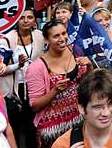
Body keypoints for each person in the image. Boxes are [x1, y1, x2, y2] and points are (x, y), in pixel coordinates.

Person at [26, 20, 89, 148]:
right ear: (46, 40)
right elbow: (35, 106)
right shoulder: (37, 67)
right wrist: (55, 91)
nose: (62, 39)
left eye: (64, 33)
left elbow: (88, 85)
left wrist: (90, 66)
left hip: (79, 120)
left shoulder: (76, 50)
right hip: (53, 128)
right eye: (56, 36)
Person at [51, 68, 112, 148]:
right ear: (81, 108)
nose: (106, 113)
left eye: (111, 104)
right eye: (97, 107)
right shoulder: (64, 144)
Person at [0, 8, 45, 147]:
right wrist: (18, 65)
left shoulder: (39, 35)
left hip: (34, 86)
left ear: (34, 20)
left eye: (29, 17)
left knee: (32, 124)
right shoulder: (6, 39)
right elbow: (0, 70)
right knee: (15, 126)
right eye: (22, 17)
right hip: (14, 90)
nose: (25, 21)